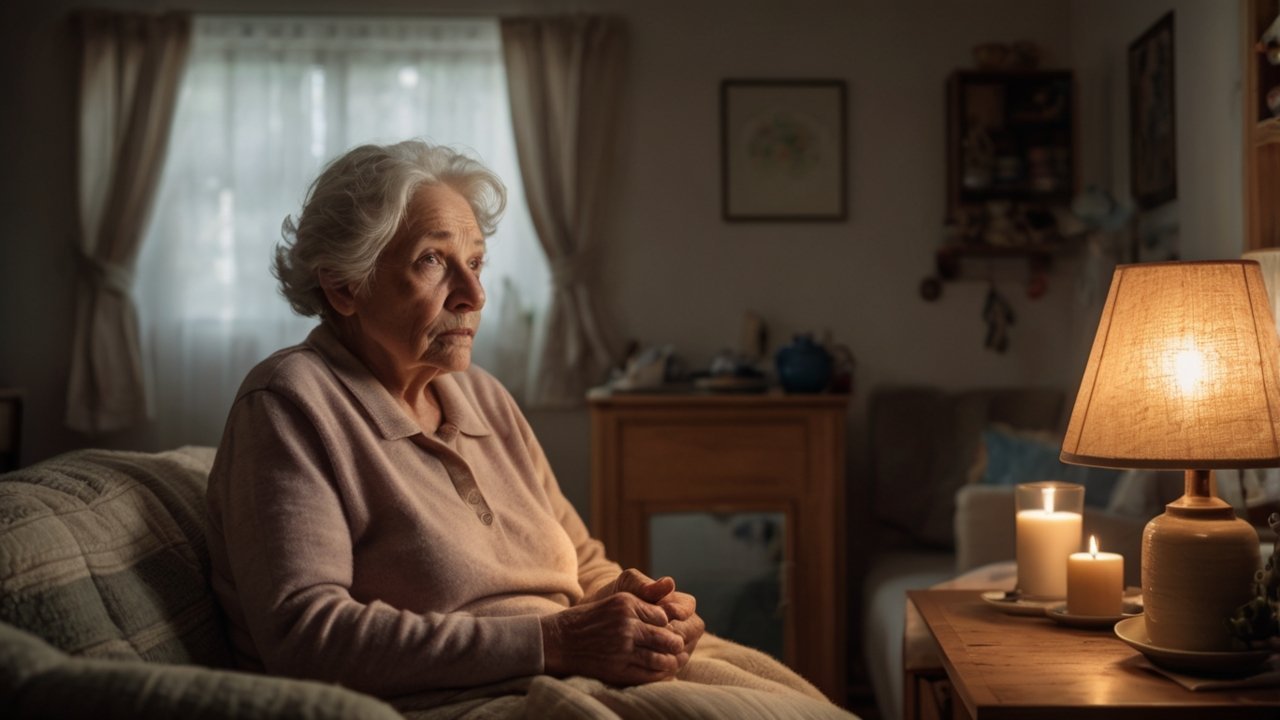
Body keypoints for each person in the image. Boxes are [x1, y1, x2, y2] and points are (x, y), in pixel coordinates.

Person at [206, 139, 855, 718]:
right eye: (434, 261)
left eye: (477, 263)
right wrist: (558, 641)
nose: (473, 295)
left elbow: (583, 563)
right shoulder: (291, 403)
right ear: (345, 286)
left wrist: (646, 610)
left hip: (564, 667)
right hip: (466, 699)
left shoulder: (481, 395)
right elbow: (307, 639)